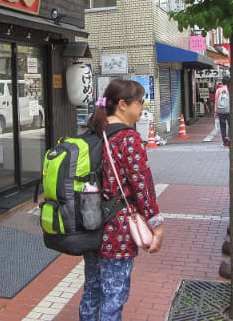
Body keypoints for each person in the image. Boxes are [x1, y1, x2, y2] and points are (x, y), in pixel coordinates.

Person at [81, 79, 165, 320]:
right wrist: (156, 226)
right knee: (113, 298)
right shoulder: (128, 139)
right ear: (122, 105)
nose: (142, 108)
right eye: (139, 102)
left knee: (92, 291)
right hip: (116, 232)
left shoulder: (92, 133)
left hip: (91, 225)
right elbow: (143, 187)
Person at [215, 76, 231, 146]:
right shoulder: (230, 90)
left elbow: (216, 101)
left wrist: (216, 111)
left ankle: (224, 141)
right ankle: (229, 136)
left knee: (222, 126)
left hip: (220, 110)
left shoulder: (218, 90)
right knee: (231, 125)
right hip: (229, 110)